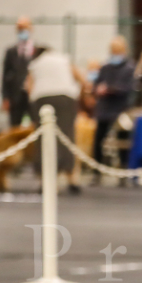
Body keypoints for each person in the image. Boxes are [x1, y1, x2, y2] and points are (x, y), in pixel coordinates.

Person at [26, 46, 85, 194]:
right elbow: (81, 78)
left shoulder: (36, 63)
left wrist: (33, 103)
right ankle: (72, 178)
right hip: (66, 98)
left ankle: (46, 181)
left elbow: (29, 86)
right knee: (67, 136)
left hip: (42, 98)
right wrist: (78, 94)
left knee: (43, 138)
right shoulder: (63, 59)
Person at [93, 36, 135, 178]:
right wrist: (98, 89)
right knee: (99, 139)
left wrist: (110, 89)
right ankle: (96, 170)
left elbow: (127, 88)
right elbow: (96, 85)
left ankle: (123, 170)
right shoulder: (105, 68)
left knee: (123, 140)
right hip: (104, 110)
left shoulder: (129, 68)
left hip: (121, 110)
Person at [2, 16, 36, 127]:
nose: (23, 31)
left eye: (25, 28)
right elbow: (5, 76)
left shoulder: (37, 50)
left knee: (35, 124)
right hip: (15, 96)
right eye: (20, 28)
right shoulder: (10, 51)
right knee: (14, 126)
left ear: (31, 28)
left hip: (33, 95)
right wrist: (5, 97)